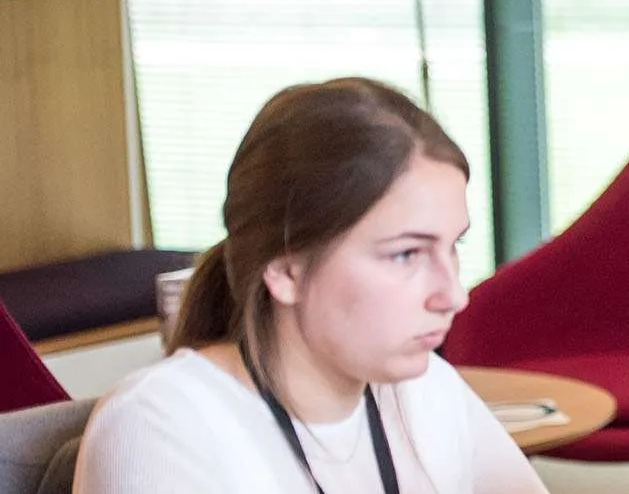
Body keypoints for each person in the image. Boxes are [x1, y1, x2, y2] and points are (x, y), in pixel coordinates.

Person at [76, 78, 547, 494]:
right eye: (406, 254)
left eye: (453, 246)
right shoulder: (158, 425)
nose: (453, 296)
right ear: (285, 271)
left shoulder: (424, 392)